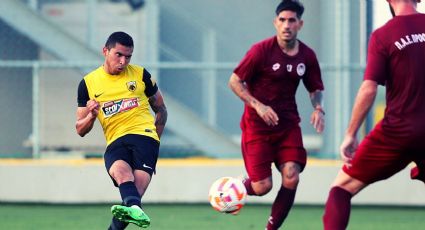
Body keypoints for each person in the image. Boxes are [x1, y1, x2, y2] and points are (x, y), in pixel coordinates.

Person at [322, 0, 425, 229]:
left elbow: (369, 88)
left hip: (398, 131)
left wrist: (351, 133)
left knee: (341, 188)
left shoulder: (383, 35)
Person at [228, 0, 325, 229]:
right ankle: (236, 188)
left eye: (292, 20)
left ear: (300, 24)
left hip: (288, 126)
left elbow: (315, 88)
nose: (286, 25)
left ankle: (271, 228)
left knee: (292, 175)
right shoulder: (260, 51)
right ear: (275, 22)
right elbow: (234, 81)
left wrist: (318, 108)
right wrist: (258, 105)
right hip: (257, 127)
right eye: (282, 20)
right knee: (262, 187)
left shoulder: (307, 56)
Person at [76, 31, 167, 229]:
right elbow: (80, 129)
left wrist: (155, 143)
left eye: (128, 57)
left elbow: (161, 109)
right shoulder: (88, 84)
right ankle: (134, 206)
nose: (123, 61)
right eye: (119, 55)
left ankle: (133, 205)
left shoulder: (141, 75)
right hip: (115, 140)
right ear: (105, 51)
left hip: (144, 136)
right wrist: (91, 116)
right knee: (126, 187)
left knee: (134, 192)